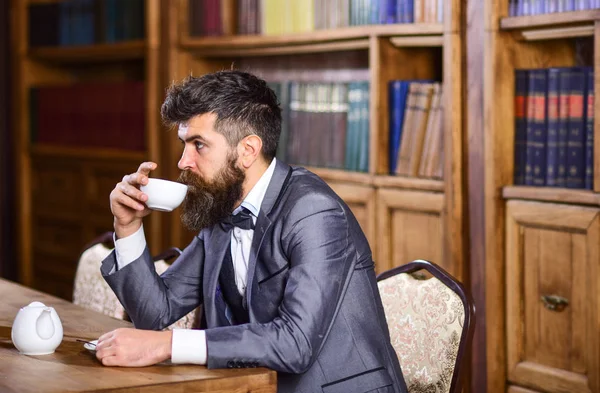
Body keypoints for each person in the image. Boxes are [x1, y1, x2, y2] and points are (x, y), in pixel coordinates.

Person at [99, 70, 408, 393]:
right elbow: (154, 314)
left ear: (248, 150)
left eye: (198, 145)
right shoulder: (223, 209)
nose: (182, 161)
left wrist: (169, 345)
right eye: (184, 144)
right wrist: (128, 225)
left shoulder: (314, 210)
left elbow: (295, 344)